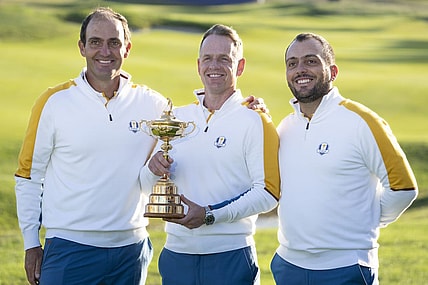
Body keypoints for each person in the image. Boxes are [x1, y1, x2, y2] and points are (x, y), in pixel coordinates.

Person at [14, 7, 170, 285]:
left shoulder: (155, 104)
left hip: (131, 250)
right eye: (95, 42)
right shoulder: (53, 102)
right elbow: (29, 175)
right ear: (82, 47)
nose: (105, 51)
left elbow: (197, 128)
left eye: (114, 42)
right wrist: (30, 242)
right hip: (69, 248)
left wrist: (250, 108)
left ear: (127, 48)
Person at [271, 32, 418, 285]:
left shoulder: (362, 121)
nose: (300, 69)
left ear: (333, 71)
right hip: (289, 265)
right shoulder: (285, 127)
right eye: (292, 63)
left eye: (311, 61)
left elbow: (403, 188)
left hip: (346, 267)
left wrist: (364, 218)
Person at [141, 24, 281, 285]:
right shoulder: (177, 118)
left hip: (230, 257)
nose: (214, 66)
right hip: (176, 255)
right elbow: (144, 185)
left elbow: (268, 194)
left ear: (239, 67)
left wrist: (209, 214)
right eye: (207, 58)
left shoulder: (256, 120)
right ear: (198, 65)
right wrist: (152, 168)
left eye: (224, 59)